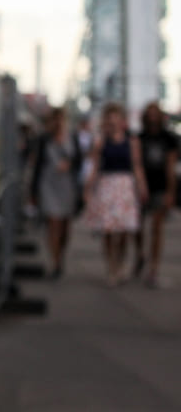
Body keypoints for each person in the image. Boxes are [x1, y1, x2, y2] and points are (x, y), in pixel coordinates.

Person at [83, 102, 148, 286]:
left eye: (116, 120)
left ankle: (120, 263)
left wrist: (142, 186)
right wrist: (88, 188)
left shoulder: (132, 142)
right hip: (107, 186)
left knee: (124, 230)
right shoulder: (101, 142)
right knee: (108, 230)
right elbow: (95, 167)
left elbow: (137, 166)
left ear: (122, 121)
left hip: (125, 187)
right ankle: (111, 266)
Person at [31, 107, 82, 278]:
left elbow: (79, 161)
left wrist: (70, 164)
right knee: (53, 222)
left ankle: (61, 254)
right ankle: (55, 262)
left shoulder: (72, 138)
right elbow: (37, 165)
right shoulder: (44, 139)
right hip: (49, 184)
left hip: (67, 186)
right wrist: (34, 190)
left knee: (65, 226)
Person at [136, 102, 177, 286]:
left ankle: (154, 267)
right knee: (137, 228)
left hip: (160, 187)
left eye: (155, 114)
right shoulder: (139, 137)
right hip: (140, 187)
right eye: (149, 114)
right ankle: (140, 254)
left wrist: (171, 192)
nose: (152, 118)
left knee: (157, 229)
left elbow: (171, 166)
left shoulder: (168, 139)